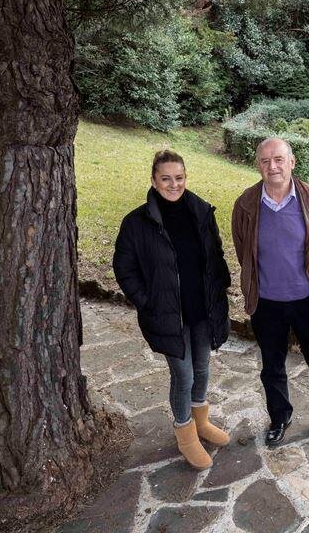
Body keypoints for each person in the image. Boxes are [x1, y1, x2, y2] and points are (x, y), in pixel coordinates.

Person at [113, 149, 232, 470]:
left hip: (202, 309)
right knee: (184, 375)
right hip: (168, 314)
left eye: (178, 178)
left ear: (185, 178)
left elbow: (215, 253)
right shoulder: (137, 223)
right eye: (166, 178)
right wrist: (147, 301)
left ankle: (201, 421)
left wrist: (220, 287)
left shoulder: (201, 211)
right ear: (153, 180)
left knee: (203, 369)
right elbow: (124, 268)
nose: (173, 184)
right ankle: (185, 434)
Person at [231, 137, 309, 447]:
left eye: (279, 159)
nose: (273, 166)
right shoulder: (245, 204)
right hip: (266, 303)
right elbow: (243, 250)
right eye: (266, 161)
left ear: (292, 162)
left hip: (308, 301)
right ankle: (280, 417)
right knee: (272, 367)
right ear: (258, 165)